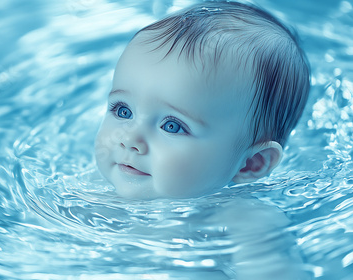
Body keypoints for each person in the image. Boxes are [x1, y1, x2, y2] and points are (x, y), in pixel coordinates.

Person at [94, 1, 310, 199]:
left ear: (251, 164)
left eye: (172, 126)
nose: (130, 139)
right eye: (123, 110)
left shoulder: (246, 223)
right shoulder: (88, 192)